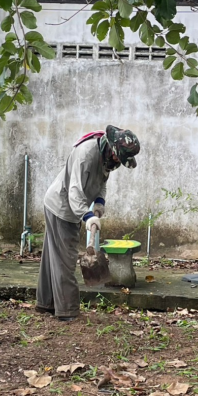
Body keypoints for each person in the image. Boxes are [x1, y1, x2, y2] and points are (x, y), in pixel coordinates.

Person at [37, 125, 140, 321]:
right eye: (120, 157)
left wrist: (99, 204)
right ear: (113, 148)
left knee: (52, 258)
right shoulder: (86, 154)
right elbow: (74, 190)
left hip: (67, 206)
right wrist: (87, 216)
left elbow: (101, 182)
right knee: (64, 261)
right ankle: (67, 312)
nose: (119, 161)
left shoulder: (107, 156)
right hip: (61, 207)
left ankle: (46, 303)